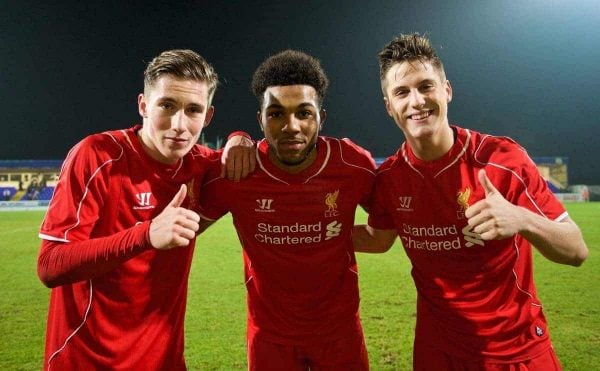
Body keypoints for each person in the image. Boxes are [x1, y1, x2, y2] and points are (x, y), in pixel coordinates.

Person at [353, 33, 589, 370]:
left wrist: (521, 219)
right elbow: (378, 239)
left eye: (426, 86)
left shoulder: (502, 160)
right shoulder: (390, 178)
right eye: (402, 92)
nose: (417, 101)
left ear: (446, 90)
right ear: (389, 105)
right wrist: (308, 234)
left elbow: (576, 250)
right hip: (438, 352)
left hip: (514, 350)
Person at [37, 49, 255, 370]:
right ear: (143, 106)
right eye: (166, 106)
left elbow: (244, 155)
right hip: (88, 358)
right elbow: (50, 267)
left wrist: (241, 137)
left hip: (163, 360)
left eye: (193, 110)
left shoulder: (203, 166)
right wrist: (147, 235)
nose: (179, 124)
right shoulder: (98, 156)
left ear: (208, 116)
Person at [196, 50, 376, 370]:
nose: (291, 126)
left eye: (304, 113)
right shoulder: (238, 173)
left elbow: (384, 236)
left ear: (322, 116)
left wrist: (330, 239)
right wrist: (237, 139)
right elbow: (182, 230)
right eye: (276, 113)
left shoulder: (353, 165)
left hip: (340, 333)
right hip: (270, 337)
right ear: (260, 119)